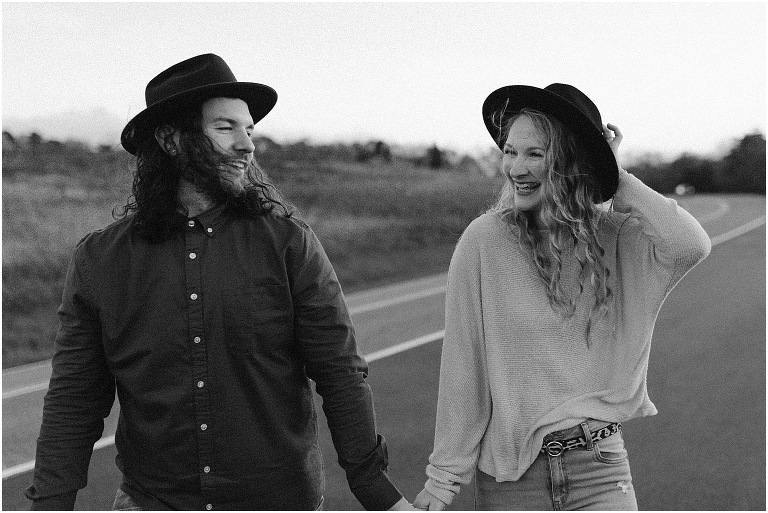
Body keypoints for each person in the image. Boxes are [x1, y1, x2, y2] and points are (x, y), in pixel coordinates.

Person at [25, 53, 413, 511]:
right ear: (172, 140)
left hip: (277, 501)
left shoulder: (288, 242)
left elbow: (340, 369)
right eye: (226, 128)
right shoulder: (100, 260)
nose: (247, 145)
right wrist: (50, 503)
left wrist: (376, 491)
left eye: (249, 130)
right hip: (154, 502)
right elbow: (76, 397)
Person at [413, 84, 711, 510]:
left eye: (535, 154)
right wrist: (442, 481)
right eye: (510, 151)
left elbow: (689, 244)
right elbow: (464, 366)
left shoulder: (617, 239)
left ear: (572, 162)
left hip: (601, 469)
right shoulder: (484, 241)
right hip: (512, 482)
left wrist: (613, 173)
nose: (515, 167)